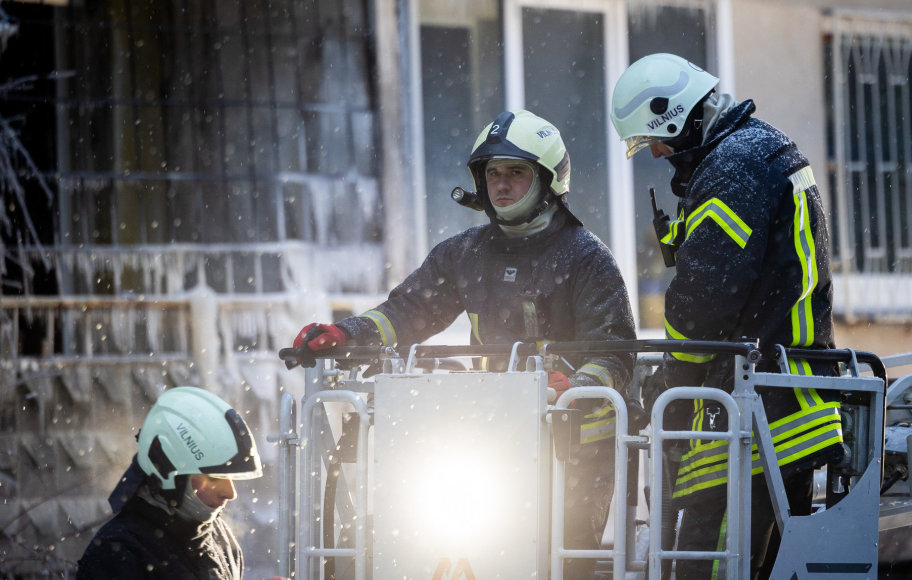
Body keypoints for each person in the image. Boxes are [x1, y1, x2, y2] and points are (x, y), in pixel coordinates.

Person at [291, 109, 637, 579]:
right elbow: (407, 312)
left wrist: (572, 389)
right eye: (493, 173)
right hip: (495, 439)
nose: (502, 185)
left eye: (516, 173)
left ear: (549, 181)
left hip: (572, 453)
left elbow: (615, 353)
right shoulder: (465, 253)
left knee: (560, 566)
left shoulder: (586, 258)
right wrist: (347, 335)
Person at [610, 53, 844, 579]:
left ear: (679, 118)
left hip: (750, 418)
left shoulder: (731, 169)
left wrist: (670, 383)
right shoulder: (764, 149)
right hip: (788, 405)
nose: (656, 152)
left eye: (658, 140)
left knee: (712, 565)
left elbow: (699, 310)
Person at [77, 386, 265, 580]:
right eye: (214, 477)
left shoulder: (220, 539)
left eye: (231, 477)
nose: (230, 492)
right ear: (168, 473)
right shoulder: (116, 556)